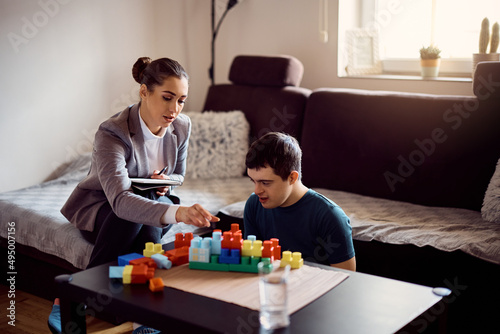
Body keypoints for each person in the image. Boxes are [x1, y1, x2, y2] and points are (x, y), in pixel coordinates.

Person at [48, 57, 218, 334]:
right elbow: (119, 200)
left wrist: (164, 186)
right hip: (105, 207)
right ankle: (81, 301)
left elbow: (178, 175)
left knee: (146, 222)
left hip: (152, 202)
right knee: (127, 218)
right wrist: (180, 212)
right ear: (143, 92)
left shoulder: (182, 126)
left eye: (181, 100)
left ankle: (132, 314)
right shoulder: (112, 132)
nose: (175, 109)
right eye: (167, 97)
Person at [243, 132, 356, 271]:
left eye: (265, 182)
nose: (257, 190)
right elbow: (252, 264)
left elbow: (345, 279)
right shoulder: (254, 205)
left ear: (292, 177)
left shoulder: (330, 216)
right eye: (253, 181)